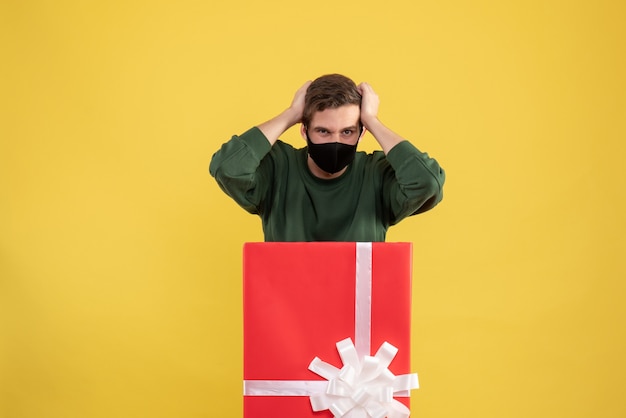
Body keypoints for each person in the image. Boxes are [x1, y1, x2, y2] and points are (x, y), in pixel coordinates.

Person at [209, 74, 445, 242]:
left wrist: (372, 120)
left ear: (361, 133)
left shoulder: (376, 174)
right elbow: (226, 167)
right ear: (304, 130)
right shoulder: (278, 167)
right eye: (323, 131)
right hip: (285, 308)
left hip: (357, 309)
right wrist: (291, 114)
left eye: (347, 131)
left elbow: (427, 182)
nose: (336, 142)